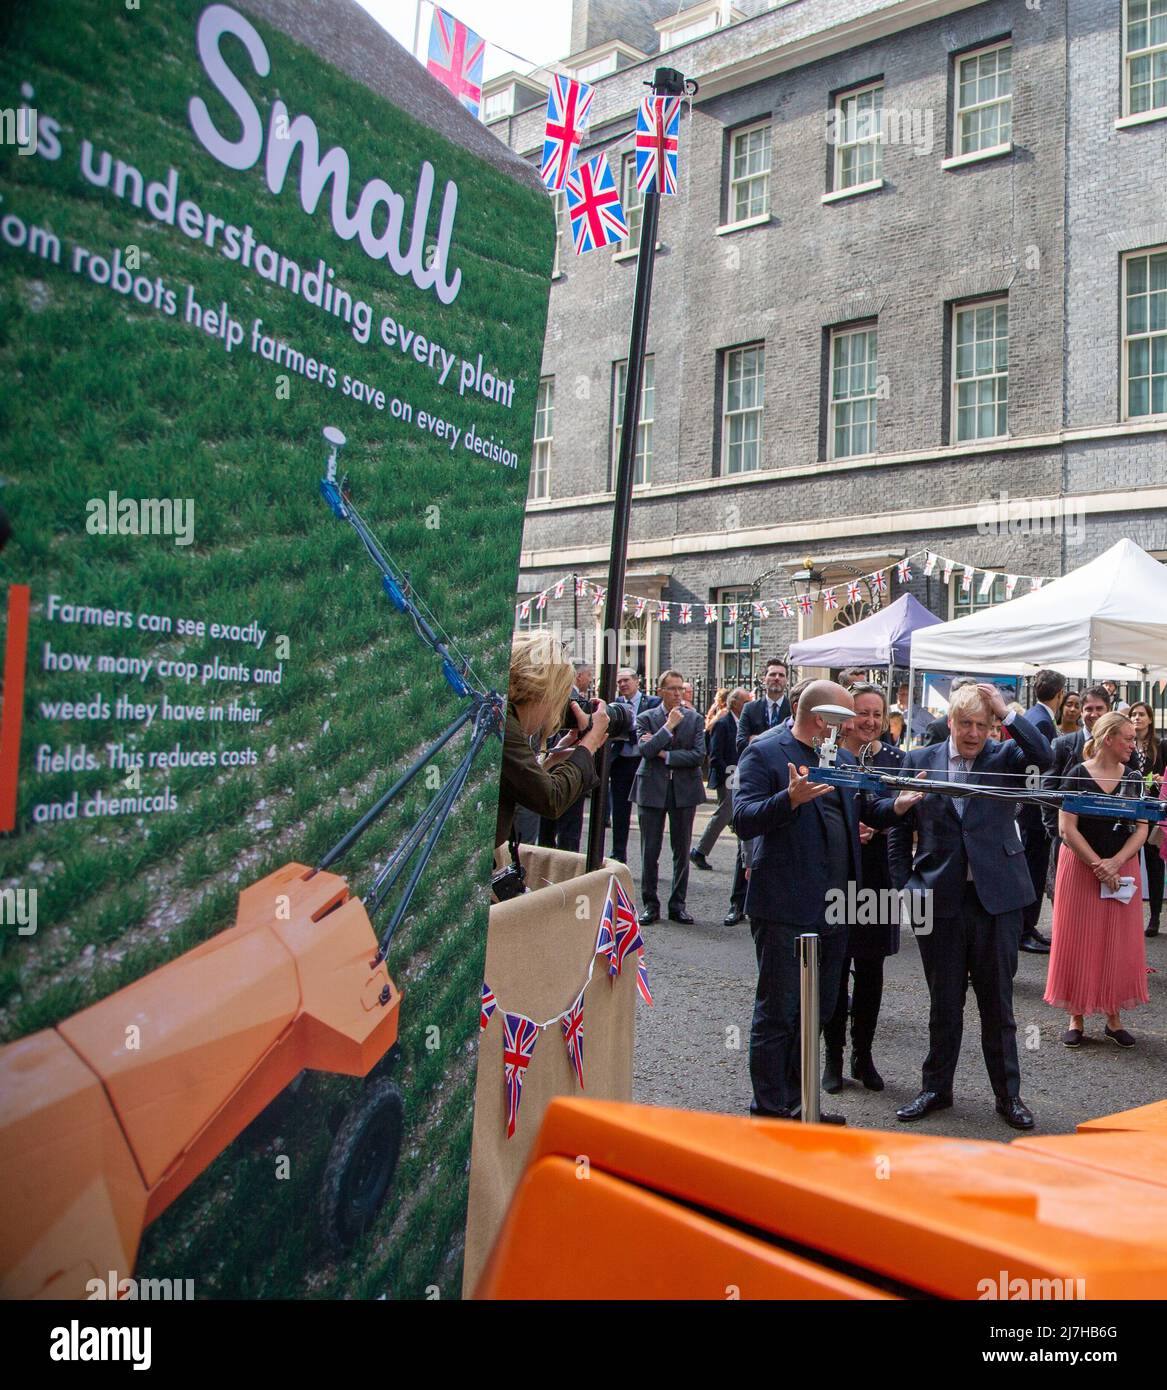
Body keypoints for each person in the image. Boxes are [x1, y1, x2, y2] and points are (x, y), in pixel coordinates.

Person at [732, 680, 920, 1121]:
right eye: (847, 716)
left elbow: (862, 809)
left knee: (818, 1009)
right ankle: (770, 1110)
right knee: (779, 1011)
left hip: (837, 906)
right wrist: (789, 799)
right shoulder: (765, 752)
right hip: (785, 905)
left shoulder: (843, 756)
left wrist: (897, 807)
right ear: (823, 719)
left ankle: (802, 1106)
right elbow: (743, 819)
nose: (857, 723)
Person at [883, 682, 1053, 1130]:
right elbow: (899, 826)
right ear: (950, 722)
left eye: (983, 724)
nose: (974, 733)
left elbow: (1045, 756)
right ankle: (936, 1089)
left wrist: (1006, 709)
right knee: (944, 1003)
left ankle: (1008, 1097)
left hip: (997, 901)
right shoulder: (919, 759)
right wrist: (905, 885)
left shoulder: (1005, 758)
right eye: (966, 723)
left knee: (998, 1004)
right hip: (939, 898)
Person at [1044, 712, 1149, 1046]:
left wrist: (1116, 862)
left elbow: (1143, 829)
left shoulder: (1134, 777)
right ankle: (1076, 1017)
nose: (1133, 745)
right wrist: (1098, 865)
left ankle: (1113, 1017)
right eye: (1128, 738)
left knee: (1118, 941)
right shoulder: (1076, 774)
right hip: (1080, 868)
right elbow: (1066, 827)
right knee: (1077, 939)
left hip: (1123, 868)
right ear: (1109, 739)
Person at [822, 683, 905, 1094]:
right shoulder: (829, 757)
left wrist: (883, 821)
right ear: (845, 717)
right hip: (839, 876)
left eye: (877, 714)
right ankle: (832, 1058)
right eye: (862, 713)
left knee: (871, 972)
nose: (870, 722)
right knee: (835, 971)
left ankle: (863, 1055)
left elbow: (903, 816)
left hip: (878, 876)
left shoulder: (896, 759)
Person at [495, 635, 609, 850]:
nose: (554, 714)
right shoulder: (502, 724)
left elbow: (521, 783)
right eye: (557, 699)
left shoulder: (500, 714)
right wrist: (590, 744)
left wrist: (551, 760)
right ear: (541, 691)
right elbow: (550, 799)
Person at [633, 670, 707, 926]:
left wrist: (666, 756)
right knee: (649, 850)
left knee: (681, 849)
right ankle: (650, 905)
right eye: (672, 689)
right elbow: (645, 750)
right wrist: (667, 728)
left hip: (684, 790)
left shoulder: (696, 719)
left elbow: (698, 755)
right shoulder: (645, 718)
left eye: (680, 689)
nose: (678, 693)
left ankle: (678, 905)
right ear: (661, 691)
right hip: (651, 789)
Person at [1040, 686, 1116, 894]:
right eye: (1088, 708)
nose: (1094, 714)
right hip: (1069, 841)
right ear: (1081, 712)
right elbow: (1048, 792)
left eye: (1099, 708)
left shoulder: (1120, 745)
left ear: (1109, 710)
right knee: (1066, 899)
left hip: (1108, 844)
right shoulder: (1062, 744)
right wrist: (1057, 832)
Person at [1017, 668, 1067, 954]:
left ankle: (1028, 927)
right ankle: (1025, 929)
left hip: (1031, 811)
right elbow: (1038, 771)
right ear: (1059, 693)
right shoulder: (1042, 722)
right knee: (1034, 872)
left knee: (1035, 871)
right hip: (1035, 814)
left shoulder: (1034, 716)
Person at [537, 659, 595, 852]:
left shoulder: (561, 696)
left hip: (550, 765)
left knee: (547, 831)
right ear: (578, 676)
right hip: (565, 769)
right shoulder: (571, 699)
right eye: (589, 674)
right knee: (567, 832)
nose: (591, 679)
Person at [606, 668, 660, 866]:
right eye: (619, 682)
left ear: (637, 681)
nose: (622, 685)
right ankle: (618, 853)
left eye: (626, 680)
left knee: (647, 812)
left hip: (643, 761)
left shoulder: (652, 703)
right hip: (621, 762)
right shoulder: (615, 705)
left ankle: (649, 858)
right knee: (620, 811)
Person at [692, 687, 748, 871]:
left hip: (740, 774)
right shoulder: (723, 723)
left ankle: (745, 854)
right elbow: (715, 755)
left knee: (736, 814)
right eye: (746, 702)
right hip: (728, 776)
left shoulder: (742, 723)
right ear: (735, 704)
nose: (749, 705)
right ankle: (699, 851)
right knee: (725, 813)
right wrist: (730, 774)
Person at [1128, 701, 1165, 936]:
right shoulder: (1126, 745)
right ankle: (1131, 914)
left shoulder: (1160, 746)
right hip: (1131, 808)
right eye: (1133, 714)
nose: (1137, 718)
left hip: (1153, 808)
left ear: (1150, 720)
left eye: (1142, 714)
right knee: (1131, 861)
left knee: (1154, 862)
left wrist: (1161, 780)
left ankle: (1155, 916)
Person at [735, 659, 791, 758]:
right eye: (773, 674)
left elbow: (795, 744)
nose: (777, 678)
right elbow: (740, 744)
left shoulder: (793, 710)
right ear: (764, 679)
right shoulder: (750, 708)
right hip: (756, 764)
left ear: (787, 681)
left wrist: (756, 739)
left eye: (781, 675)